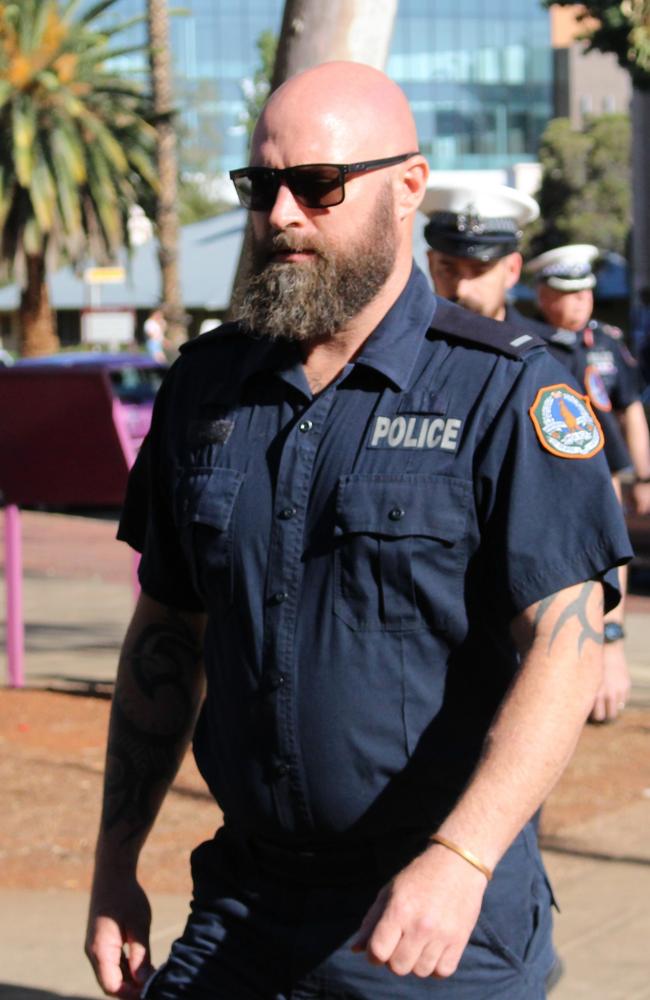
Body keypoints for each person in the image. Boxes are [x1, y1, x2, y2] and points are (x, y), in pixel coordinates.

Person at [85, 63, 632, 1000]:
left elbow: (566, 646)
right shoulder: (207, 387)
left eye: (318, 185)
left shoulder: (507, 389)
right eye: (262, 187)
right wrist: (113, 861)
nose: (283, 214)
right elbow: (169, 634)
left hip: (434, 921)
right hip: (244, 904)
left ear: (408, 186)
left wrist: (461, 857)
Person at [423, 184, 632, 724]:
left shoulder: (550, 364)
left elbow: (597, 502)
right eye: (448, 266)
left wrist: (607, 637)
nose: (459, 285)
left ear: (511, 270)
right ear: (429, 261)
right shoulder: (400, 360)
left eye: (477, 270)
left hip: (526, 630)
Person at [526, 243, 650, 517]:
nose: (583, 298)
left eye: (586, 290)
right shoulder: (524, 342)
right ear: (543, 295)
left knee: (613, 553)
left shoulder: (606, 340)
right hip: (544, 478)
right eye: (570, 291)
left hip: (605, 472)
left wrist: (644, 477)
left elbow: (630, 407)